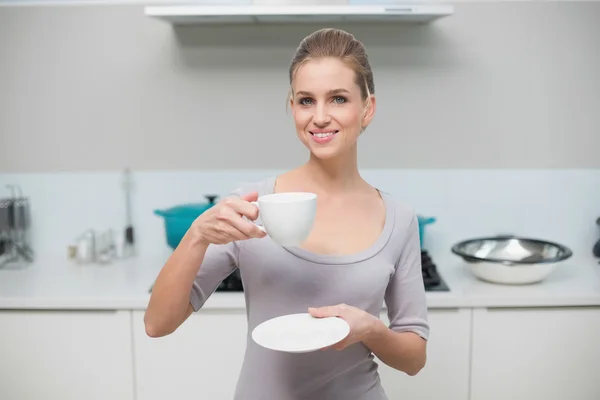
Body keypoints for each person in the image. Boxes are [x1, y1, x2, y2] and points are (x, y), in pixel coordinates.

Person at [144, 27, 429, 400]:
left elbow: (414, 359)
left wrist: (370, 329)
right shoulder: (252, 205)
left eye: (339, 99)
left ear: (367, 109)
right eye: (306, 101)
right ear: (291, 107)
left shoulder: (399, 218)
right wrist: (197, 235)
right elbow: (157, 323)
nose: (321, 117)